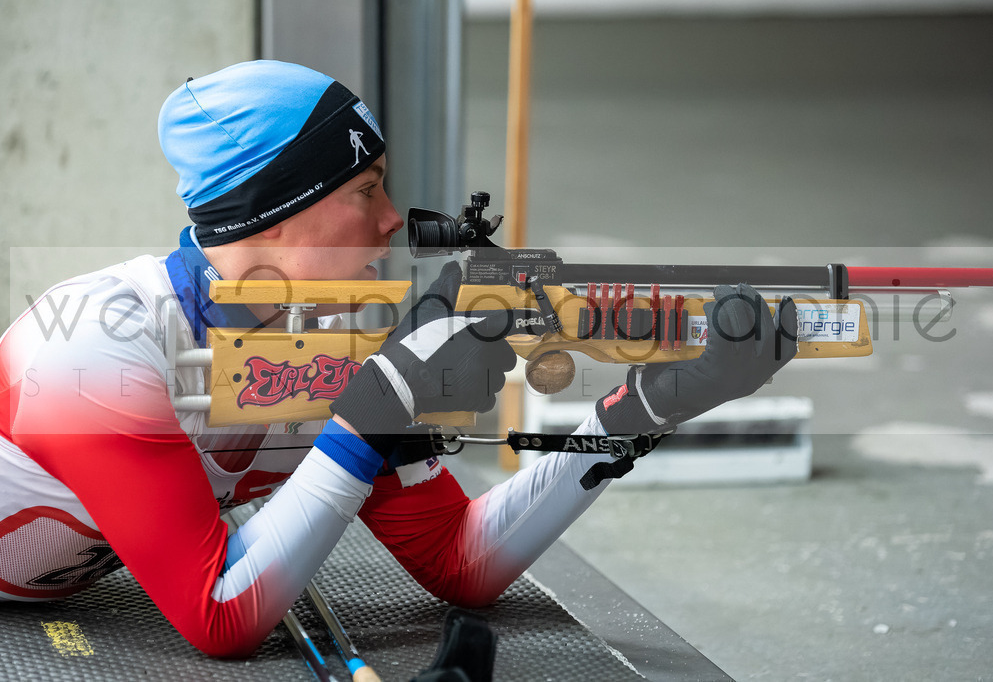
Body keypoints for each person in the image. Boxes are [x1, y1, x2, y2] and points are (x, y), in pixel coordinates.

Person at [0, 60, 796, 658]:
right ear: (275, 212)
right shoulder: (94, 348)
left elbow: (462, 560)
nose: (392, 222)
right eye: (364, 190)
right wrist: (379, 402)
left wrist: (639, 413)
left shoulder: (322, 339)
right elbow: (219, 614)